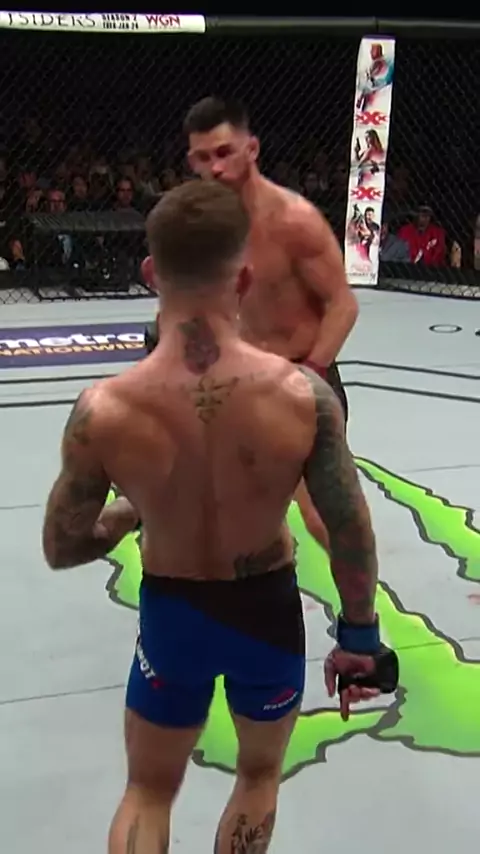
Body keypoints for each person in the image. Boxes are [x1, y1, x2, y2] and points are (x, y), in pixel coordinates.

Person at [42, 180, 398, 854]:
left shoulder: (104, 409)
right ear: (244, 278)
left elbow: (64, 545)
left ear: (150, 272)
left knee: (148, 790)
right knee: (258, 776)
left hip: (172, 613)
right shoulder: (304, 396)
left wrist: (130, 511)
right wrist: (360, 636)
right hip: (266, 614)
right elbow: (350, 530)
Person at [145, 96, 359, 552]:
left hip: (301, 374)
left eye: (225, 152)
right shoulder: (200, 225)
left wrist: (310, 377)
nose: (216, 167)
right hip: (239, 382)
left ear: (252, 149)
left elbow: (343, 305)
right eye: (203, 157)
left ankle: (360, 599)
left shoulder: (294, 220)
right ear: (191, 161)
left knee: (322, 515)